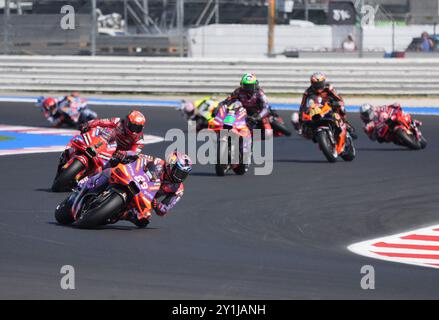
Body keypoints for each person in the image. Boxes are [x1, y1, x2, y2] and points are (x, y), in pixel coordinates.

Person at [79, 152, 192, 228]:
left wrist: (157, 205)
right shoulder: (157, 162)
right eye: (178, 172)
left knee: (143, 221)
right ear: (170, 165)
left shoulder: (178, 190)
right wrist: (125, 154)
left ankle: (116, 215)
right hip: (134, 181)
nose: (180, 177)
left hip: (145, 199)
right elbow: (139, 156)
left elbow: (164, 210)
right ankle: (88, 181)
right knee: (110, 170)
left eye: (184, 174)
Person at [291, 72, 356, 138]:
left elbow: (338, 98)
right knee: (304, 119)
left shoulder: (329, 88)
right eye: (316, 84)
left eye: (320, 84)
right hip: (316, 110)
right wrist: (302, 115)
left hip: (329, 106)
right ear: (312, 83)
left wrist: (336, 103)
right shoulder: (307, 92)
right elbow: (303, 105)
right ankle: (308, 131)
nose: (318, 86)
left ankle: (345, 122)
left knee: (341, 107)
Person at [218, 73, 272, 138]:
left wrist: (258, 116)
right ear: (242, 85)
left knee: (267, 131)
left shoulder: (259, 92)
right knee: (235, 105)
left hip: (256, 112)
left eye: (250, 86)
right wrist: (221, 105)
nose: (248, 88)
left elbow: (266, 106)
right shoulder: (238, 91)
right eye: (246, 86)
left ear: (255, 85)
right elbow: (229, 99)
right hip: (243, 111)